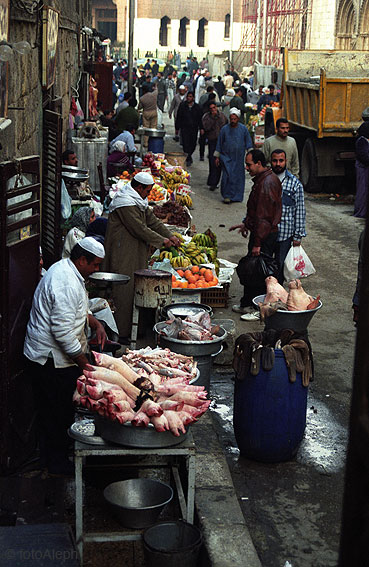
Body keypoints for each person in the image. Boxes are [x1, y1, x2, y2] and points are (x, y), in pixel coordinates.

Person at [24, 237, 107, 475]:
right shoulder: (64, 281)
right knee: (55, 411)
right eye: (95, 265)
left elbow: (78, 307)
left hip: (57, 357)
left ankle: (54, 454)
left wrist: (95, 321)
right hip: (48, 359)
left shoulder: (69, 270)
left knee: (58, 409)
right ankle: (56, 463)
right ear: (82, 259)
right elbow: (62, 333)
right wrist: (85, 365)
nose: (96, 270)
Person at [103, 172, 181, 341]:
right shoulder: (125, 203)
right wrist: (163, 241)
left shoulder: (138, 200)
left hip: (136, 248)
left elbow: (152, 221)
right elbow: (139, 228)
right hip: (122, 249)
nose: (148, 194)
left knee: (136, 285)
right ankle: (122, 332)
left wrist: (170, 235)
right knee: (125, 288)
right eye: (147, 190)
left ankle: (136, 328)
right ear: (138, 187)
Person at [230, 149, 282, 320]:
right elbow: (256, 213)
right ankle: (247, 303)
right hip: (260, 232)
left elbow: (264, 217)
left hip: (265, 235)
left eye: (249, 164)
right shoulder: (262, 180)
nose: (247, 168)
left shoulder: (267, 183)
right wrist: (246, 224)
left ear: (259, 164)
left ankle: (257, 307)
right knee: (253, 268)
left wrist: (258, 242)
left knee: (260, 272)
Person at [270, 149, 306, 283]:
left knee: (280, 267)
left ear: (286, 162)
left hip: (285, 234)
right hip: (267, 232)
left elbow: (300, 211)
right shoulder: (266, 179)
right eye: (275, 160)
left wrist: (298, 236)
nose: (278, 164)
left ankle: (278, 296)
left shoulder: (295, 184)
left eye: (281, 160)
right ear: (270, 161)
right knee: (265, 266)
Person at [214, 108, 253, 203]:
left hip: (239, 158)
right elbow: (219, 143)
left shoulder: (243, 129)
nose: (233, 121)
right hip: (226, 157)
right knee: (227, 176)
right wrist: (217, 156)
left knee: (238, 177)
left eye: (235, 119)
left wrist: (250, 154)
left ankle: (237, 196)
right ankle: (227, 196)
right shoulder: (224, 129)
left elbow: (248, 142)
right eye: (231, 119)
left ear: (238, 119)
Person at [201, 102, 228, 191]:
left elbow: (225, 125)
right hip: (212, 141)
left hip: (221, 141)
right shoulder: (207, 117)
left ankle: (216, 181)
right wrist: (213, 119)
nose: (213, 110)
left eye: (214, 107)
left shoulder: (222, 116)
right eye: (211, 108)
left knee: (219, 162)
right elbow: (206, 127)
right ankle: (212, 182)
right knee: (213, 161)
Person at [175, 91, 203, 167]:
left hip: (194, 128)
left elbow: (200, 118)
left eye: (190, 97)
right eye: (188, 96)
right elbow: (179, 116)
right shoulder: (183, 105)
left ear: (193, 98)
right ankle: (188, 158)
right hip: (184, 128)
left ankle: (189, 155)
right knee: (185, 144)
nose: (189, 98)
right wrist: (177, 127)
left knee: (193, 144)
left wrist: (201, 128)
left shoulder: (197, 107)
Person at [354, 121, 369, 218]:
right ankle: (361, 212)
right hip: (363, 168)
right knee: (362, 190)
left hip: (365, 167)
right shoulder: (361, 141)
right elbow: (363, 156)